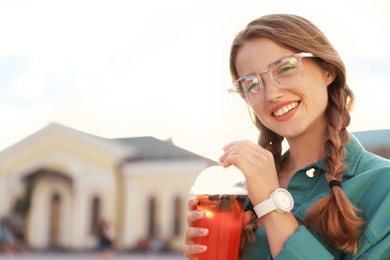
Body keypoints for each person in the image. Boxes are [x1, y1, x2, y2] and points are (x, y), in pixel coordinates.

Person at [183, 14, 390, 259]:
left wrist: (271, 205)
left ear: (328, 70)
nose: (271, 94)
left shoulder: (382, 186)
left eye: (286, 68)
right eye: (251, 84)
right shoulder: (242, 196)